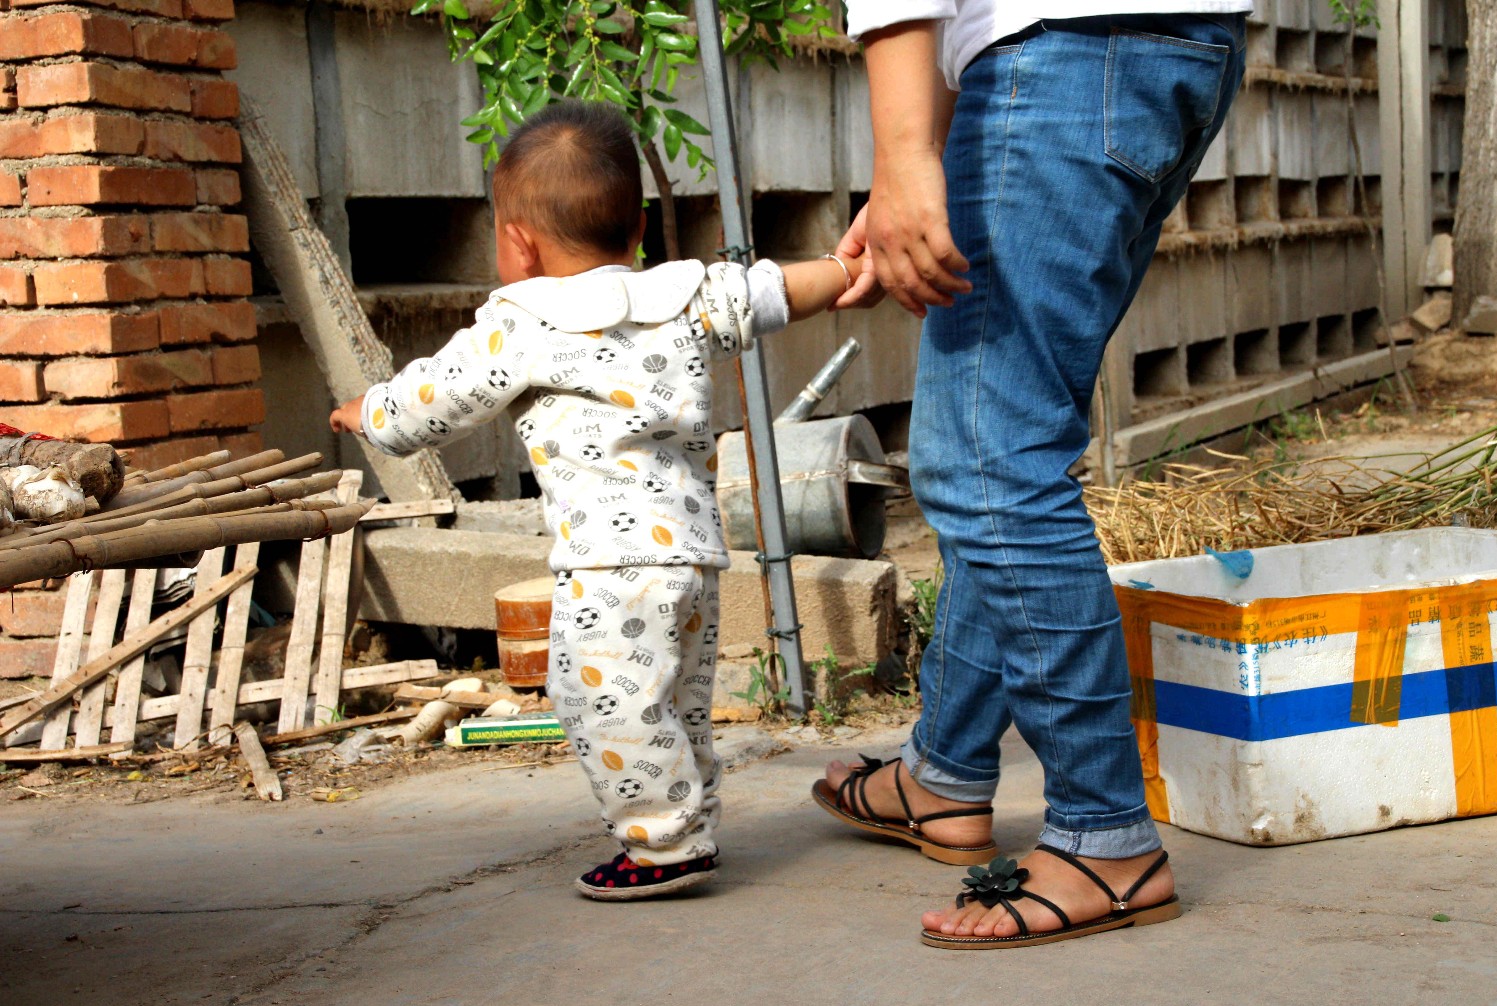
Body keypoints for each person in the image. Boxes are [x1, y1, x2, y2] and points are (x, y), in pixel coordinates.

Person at [332, 100, 862, 901]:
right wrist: (852, 269)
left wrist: (367, 414)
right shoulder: (686, 296)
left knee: (602, 700)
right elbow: (777, 289)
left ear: (517, 242)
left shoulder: (521, 324)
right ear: (639, 227)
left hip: (610, 565)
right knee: (674, 700)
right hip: (693, 557)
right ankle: (689, 824)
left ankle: (662, 844)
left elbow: (431, 401)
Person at [812, 5, 1250, 947]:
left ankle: (1104, 839)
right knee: (1005, 447)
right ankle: (945, 772)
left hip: (1064, 61)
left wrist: (902, 158)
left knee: (990, 464)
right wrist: (924, 148)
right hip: (1159, 49)